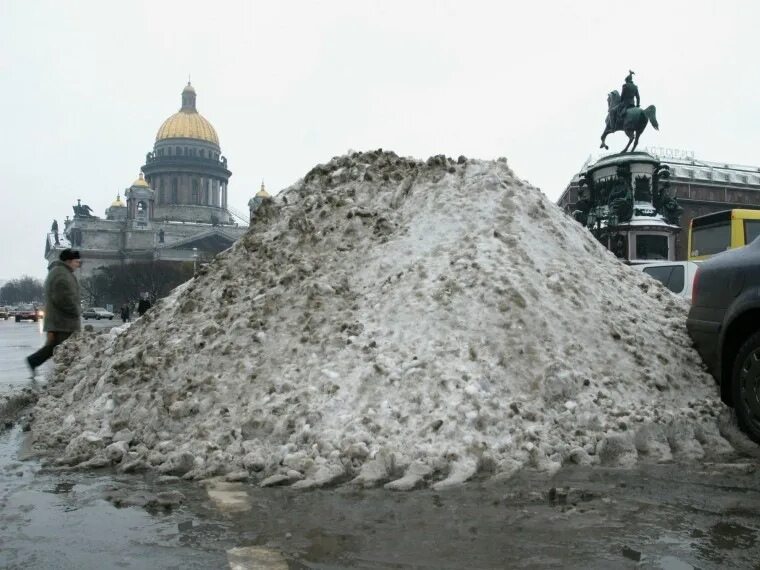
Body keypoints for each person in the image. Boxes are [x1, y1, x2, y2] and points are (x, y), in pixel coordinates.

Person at [26, 249, 82, 377]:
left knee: (54, 347)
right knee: (64, 348)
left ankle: (34, 361)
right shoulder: (62, 275)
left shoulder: (60, 272)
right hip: (63, 322)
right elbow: (63, 298)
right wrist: (76, 310)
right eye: (76, 261)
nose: (78, 264)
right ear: (68, 261)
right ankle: (65, 374)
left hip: (59, 321)